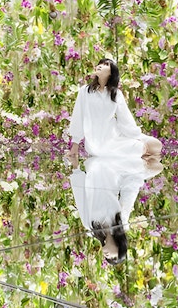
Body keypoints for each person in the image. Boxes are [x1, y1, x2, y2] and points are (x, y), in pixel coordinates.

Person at [67, 58, 162, 263]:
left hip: (114, 140)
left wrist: (135, 136)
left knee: (156, 147)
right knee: (154, 149)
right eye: (113, 257)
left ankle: (140, 148)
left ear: (111, 74)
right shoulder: (85, 92)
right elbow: (78, 117)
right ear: (120, 248)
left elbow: (126, 120)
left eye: (105, 65)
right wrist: (74, 144)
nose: (107, 256)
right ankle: (141, 151)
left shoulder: (91, 226)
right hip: (97, 145)